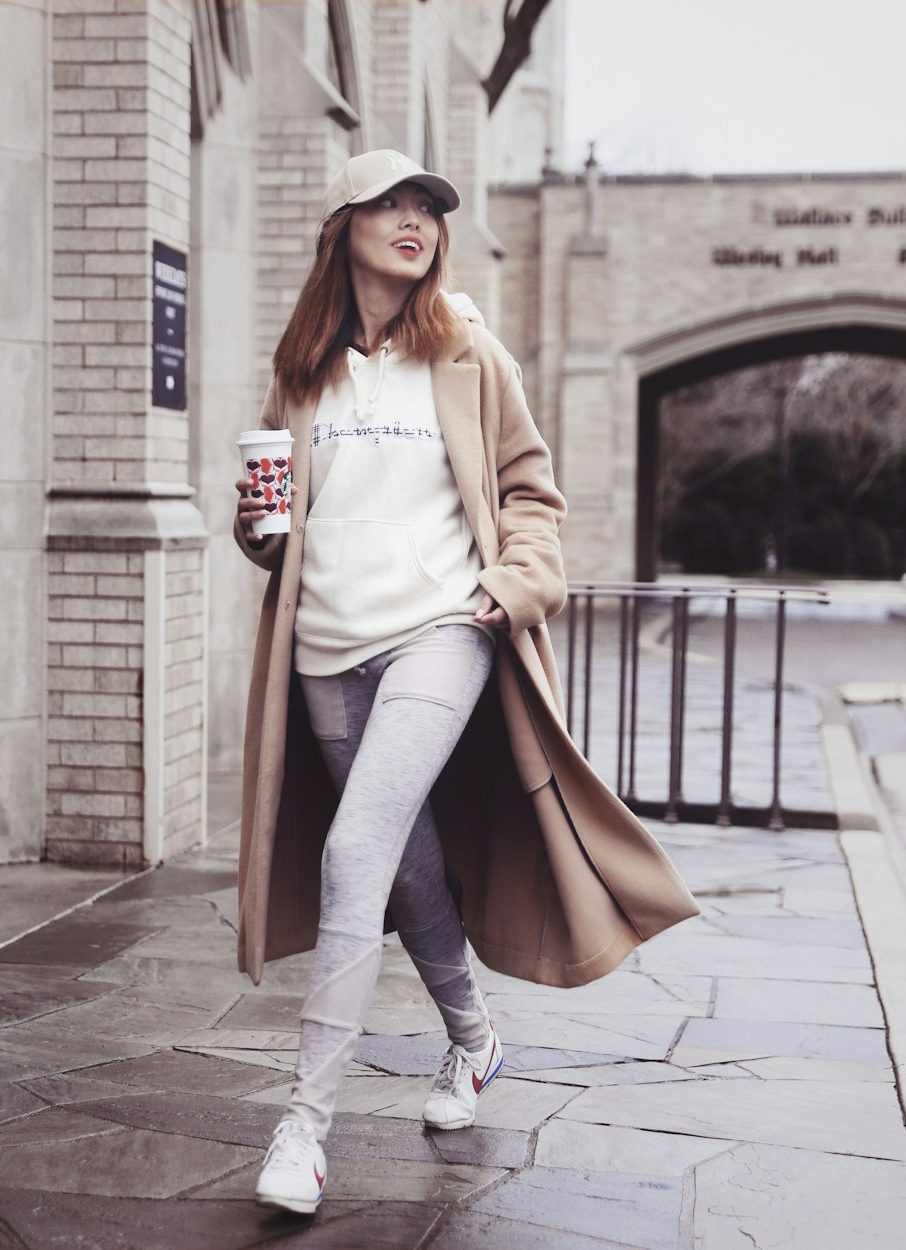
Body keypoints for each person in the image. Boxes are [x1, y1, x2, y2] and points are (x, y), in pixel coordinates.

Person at [234, 149, 698, 1216]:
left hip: (444, 628)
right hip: (324, 648)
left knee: (357, 845)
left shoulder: (469, 352)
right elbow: (274, 524)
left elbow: (532, 492)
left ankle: (303, 1124)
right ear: (341, 224)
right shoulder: (303, 368)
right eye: (390, 203)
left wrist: (514, 581)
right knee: (406, 868)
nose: (413, 220)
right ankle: (476, 1037)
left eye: (427, 208)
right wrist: (258, 528)